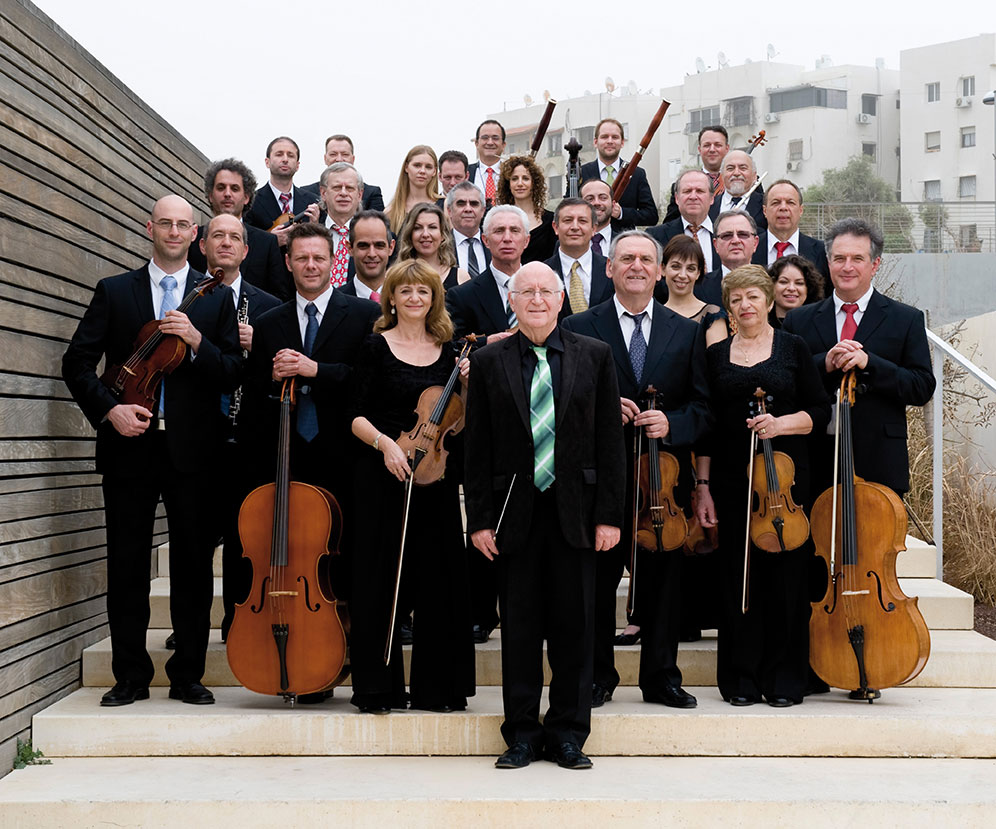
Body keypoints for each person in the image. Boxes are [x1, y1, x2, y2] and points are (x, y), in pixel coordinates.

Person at [61, 195, 242, 707]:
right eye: (165, 222)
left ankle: (187, 674)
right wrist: (109, 410)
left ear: (195, 235)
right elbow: (76, 364)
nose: (174, 230)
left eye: (184, 224)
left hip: (193, 450)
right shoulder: (115, 291)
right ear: (150, 228)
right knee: (127, 562)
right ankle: (130, 676)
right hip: (129, 445)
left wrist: (199, 342)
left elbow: (231, 371)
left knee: (191, 564)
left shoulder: (214, 299)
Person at [464, 261, 625, 770]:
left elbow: (609, 440)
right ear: (511, 300)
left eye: (545, 291)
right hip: (514, 515)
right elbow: (478, 447)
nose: (536, 299)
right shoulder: (490, 361)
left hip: (576, 514)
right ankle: (522, 735)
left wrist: (610, 516)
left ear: (562, 300)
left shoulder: (595, 356)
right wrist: (479, 520)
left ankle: (569, 734)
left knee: (575, 630)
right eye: (525, 291)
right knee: (520, 630)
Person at [562, 231, 711, 712]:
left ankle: (661, 677)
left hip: (662, 481)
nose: (637, 267)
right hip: (599, 480)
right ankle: (596, 676)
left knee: (664, 583)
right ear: (609, 267)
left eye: (647, 259)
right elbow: (562, 406)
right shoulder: (580, 325)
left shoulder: (687, 330)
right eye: (627, 258)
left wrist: (674, 422)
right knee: (596, 584)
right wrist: (603, 410)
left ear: (661, 270)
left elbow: (705, 409)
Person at [251, 224, 381, 706]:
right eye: (301, 258)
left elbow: (368, 384)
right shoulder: (268, 323)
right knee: (294, 561)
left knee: (345, 565)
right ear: (288, 262)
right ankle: (301, 660)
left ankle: (343, 658)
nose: (310, 265)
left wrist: (315, 371)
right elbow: (256, 395)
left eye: (319, 259)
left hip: (347, 461)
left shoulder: (365, 314)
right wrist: (270, 378)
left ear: (334, 262)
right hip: (290, 462)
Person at [694, 265, 830, 707]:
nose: (745, 305)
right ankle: (741, 679)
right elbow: (708, 428)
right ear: (729, 308)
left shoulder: (793, 347)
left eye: (753, 297)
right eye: (736, 299)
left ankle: (786, 680)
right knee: (738, 578)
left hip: (785, 480)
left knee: (786, 580)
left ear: (769, 301)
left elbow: (819, 411)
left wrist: (780, 423)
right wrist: (703, 486)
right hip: (735, 483)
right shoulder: (716, 356)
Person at [347, 259, 476, 714]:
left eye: (423, 292)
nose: (415, 299)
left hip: (436, 479)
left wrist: (467, 384)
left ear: (434, 298)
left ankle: (438, 688)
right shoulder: (374, 346)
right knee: (379, 579)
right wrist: (386, 445)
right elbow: (355, 414)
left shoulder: (452, 351)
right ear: (393, 298)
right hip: (383, 475)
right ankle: (378, 687)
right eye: (405, 292)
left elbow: (463, 420)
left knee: (438, 580)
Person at [781, 217, 935, 498]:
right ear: (828, 263)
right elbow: (785, 382)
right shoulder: (798, 320)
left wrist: (871, 363)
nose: (847, 267)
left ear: (875, 265)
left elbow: (922, 386)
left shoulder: (906, 319)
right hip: (815, 458)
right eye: (839, 258)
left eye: (857, 258)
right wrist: (823, 363)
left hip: (880, 459)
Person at [197, 215, 281, 643]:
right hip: (199, 434)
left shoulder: (267, 305)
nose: (226, 244)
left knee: (245, 536)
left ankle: (239, 618)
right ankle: (191, 624)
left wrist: (258, 345)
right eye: (218, 237)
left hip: (249, 436)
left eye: (235, 238)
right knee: (198, 535)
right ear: (203, 246)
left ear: (247, 251)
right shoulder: (190, 298)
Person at [188, 158, 292, 300]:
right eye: (221, 187)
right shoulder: (192, 238)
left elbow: (279, 296)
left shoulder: (267, 242)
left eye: (235, 188)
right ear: (210, 196)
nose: (227, 194)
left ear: (246, 198)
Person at [446, 205, 530, 340]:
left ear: (526, 241)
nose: (507, 238)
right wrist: (485, 343)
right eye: (499, 231)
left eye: (515, 230)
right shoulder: (462, 296)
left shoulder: (545, 288)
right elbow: (452, 347)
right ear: (485, 240)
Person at [578, 118, 658, 229]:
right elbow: (570, 209)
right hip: (591, 240)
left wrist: (622, 213)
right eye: (604, 137)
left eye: (615, 137)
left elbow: (651, 215)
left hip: (625, 242)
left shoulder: (637, 173)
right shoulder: (581, 173)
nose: (610, 141)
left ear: (622, 142)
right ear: (595, 142)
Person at [752, 179, 831, 292]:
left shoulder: (822, 252)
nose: (783, 208)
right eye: (776, 203)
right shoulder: (750, 249)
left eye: (790, 202)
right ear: (765, 211)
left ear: (800, 210)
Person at [543, 197, 613, 318]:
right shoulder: (542, 272)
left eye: (582, 221)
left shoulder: (612, 270)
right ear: (555, 227)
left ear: (594, 229)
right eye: (568, 220)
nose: (575, 227)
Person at [244, 136, 320, 246]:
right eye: (279, 154)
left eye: (290, 155)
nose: (285, 159)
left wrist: (315, 226)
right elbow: (245, 241)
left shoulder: (312, 201)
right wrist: (269, 240)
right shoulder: (251, 201)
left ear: (297, 165)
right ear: (267, 162)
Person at [660, 235, 727, 346]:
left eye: (690, 268)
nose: (682, 275)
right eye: (676, 266)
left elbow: (717, 362)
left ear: (698, 273)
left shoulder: (712, 316)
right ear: (662, 269)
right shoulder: (652, 316)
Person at [648, 170, 716, 276]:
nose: (693, 197)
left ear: (712, 198)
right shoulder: (655, 237)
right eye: (687, 191)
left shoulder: (727, 235)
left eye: (699, 191)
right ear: (677, 199)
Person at [663, 126, 730, 223]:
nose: (712, 149)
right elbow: (671, 224)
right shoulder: (682, 185)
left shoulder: (748, 184)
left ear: (727, 148)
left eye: (718, 145)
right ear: (699, 149)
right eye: (707, 145)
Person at [397, 202, 470, 290]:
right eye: (418, 228)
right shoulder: (396, 276)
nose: (425, 234)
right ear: (410, 234)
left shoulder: (461, 278)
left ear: (443, 234)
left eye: (432, 227)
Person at [302, 134, 384, 211]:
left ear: (353, 159)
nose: (339, 159)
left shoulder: (372, 194)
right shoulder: (306, 193)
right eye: (333, 154)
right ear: (325, 158)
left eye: (344, 154)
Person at [497, 155, 555, 264]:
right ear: (508, 184)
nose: (520, 183)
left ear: (534, 183)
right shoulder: (498, 219)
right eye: (514, 179)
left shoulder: (551, 220)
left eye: (525, 178)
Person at [697, 210, 761, 307]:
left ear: (755, 243)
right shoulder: (699, 287)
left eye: (742, 234)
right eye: (727, 235)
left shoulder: (770, 283)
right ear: (716, 245)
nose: (735, 240)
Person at [318, 162, 365, 287]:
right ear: (323, 193)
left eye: (350, 188)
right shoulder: (310, 233)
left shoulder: (372, 236)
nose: (344, 193)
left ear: (359, 195)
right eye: (337, 187)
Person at [340, 210, 396, 300]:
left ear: (391, 247)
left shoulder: (405, 299)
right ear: (350, 248)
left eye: (379, 245)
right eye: (363, 246)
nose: (372, 254)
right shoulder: (333, 302)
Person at [385, 145, 441, 234]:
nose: (422, 171)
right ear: (406, 167)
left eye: (428, 167)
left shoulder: (446, 206)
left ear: (434, 171)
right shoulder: (391, 211)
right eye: (417, 165)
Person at [708, 150, 766, 231]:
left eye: (743, 168)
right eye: (730, 168)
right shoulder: (709, 206)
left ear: (754, 176)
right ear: (721, 176)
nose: (736, 173)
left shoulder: (766, 204)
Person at [768, 254, 824, 327]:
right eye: (784, 282)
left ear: (809, 288)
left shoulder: (820, 323)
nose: (791, 288)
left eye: (799, 283)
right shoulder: (759, 322)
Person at [447, 181, 489, 276]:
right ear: (449, 211)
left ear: (483, 211)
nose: (468, 209)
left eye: (474, 204)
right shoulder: (439, 246)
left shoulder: (494, 243)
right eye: (461, 204)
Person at [468, 120, 506, 206]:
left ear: (503, 145)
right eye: (485, 138)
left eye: (495, 138)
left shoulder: (512, 173)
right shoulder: (465, 173)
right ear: (477, 143)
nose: (490, 142)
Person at [581, 178, 616, 256]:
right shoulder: (566, 244)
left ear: (613, 205)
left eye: (603, 198)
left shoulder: (626, 242)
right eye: (590, 199)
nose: (597, 203)